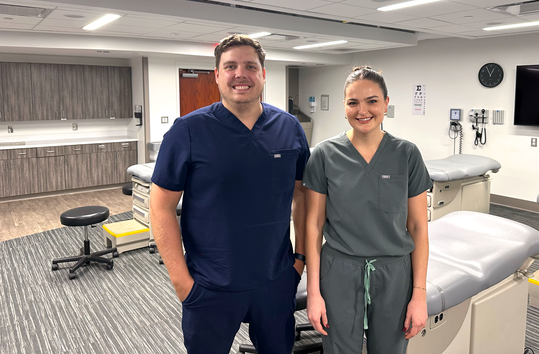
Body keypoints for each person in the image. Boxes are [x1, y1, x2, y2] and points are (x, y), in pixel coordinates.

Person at [149, 34, 310, 354]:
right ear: (217, 75)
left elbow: (302, 196)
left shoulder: (289, 127)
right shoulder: (188, 131)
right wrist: (182, 281)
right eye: (231, 66)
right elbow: (160, 207)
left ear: (263, 74)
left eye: (251, 66)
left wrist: (299, 261)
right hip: (210, 285)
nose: (241, 74)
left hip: (275, 280)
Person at [303, 66, 431, 354]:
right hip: (339, 271)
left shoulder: (407, 154)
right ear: (344, 107)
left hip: (395, 273)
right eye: (353, 102)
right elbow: (313, 225)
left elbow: (419, 227)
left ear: (386, 104)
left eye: (372, 101)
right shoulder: (324, 155)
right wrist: (314, 292)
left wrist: (419, 295)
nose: (363, 110)